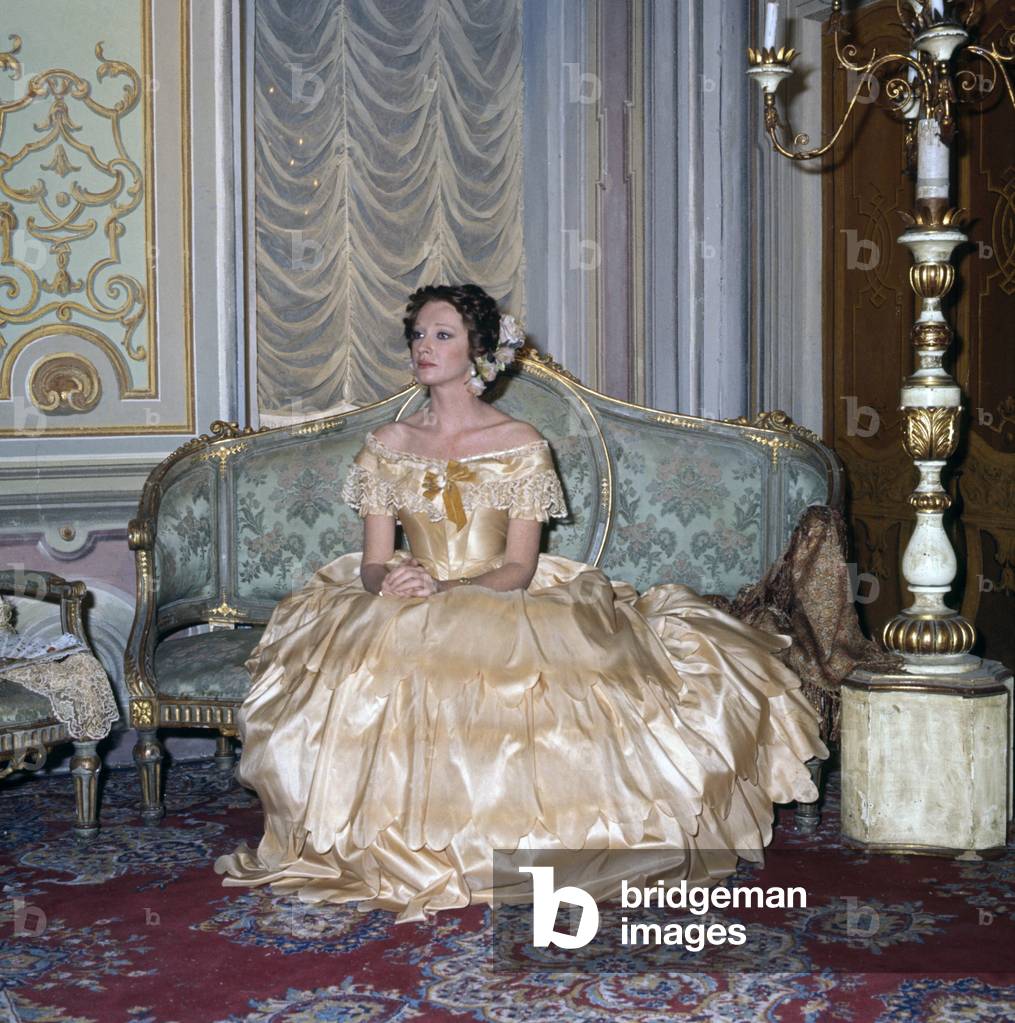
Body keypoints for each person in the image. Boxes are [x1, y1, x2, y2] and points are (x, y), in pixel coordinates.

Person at [213, 283, 827, 923]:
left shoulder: (521, 441)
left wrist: (450, 590)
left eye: (443, 335)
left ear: (479, 349)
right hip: (408, 593)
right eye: (419, 335)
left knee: (532, 688)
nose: (426, 347)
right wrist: (386, 581)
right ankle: (391, 846)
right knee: (360, 675)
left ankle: (507, 845)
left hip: (498, 593)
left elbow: (518, 566)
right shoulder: (388, 443)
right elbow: (370, 560)